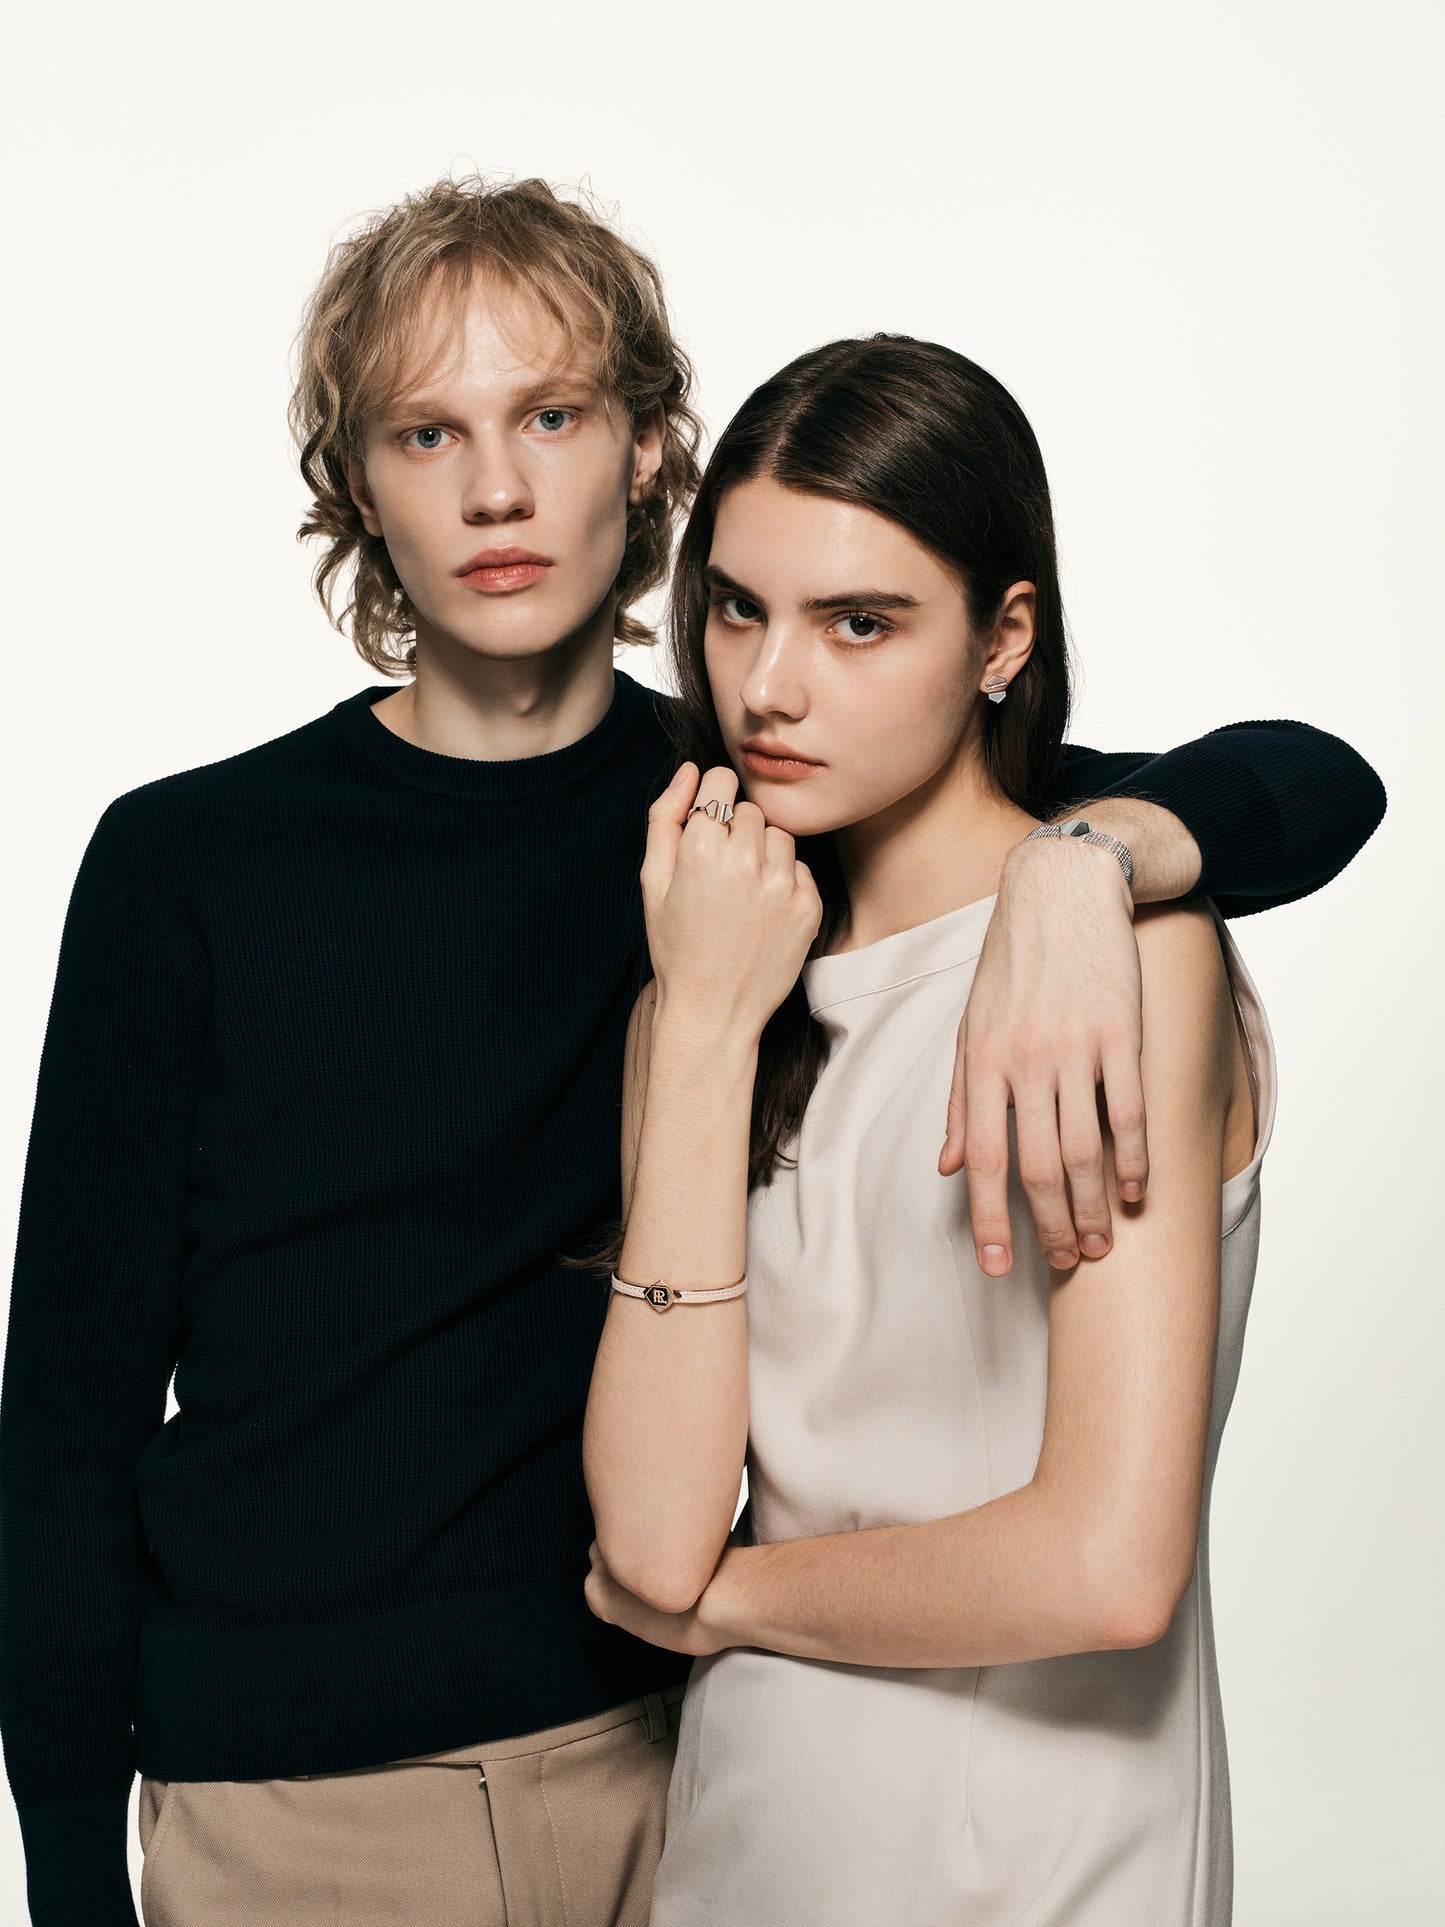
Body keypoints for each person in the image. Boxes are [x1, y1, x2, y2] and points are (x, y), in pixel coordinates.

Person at [0, 176, 1382, 1927]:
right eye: (426, 433)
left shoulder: (771, 798)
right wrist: (70, 1869)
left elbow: (1306, 784)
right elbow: (68, 1417)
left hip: (673, 1752)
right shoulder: (189, 863)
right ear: (356, 482)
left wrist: (1086, 857)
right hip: (305, 1785)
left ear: (648, 449)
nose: (495, 491)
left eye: (551, 416)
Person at [581, 336, 1336, 1924]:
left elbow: (1103, 1568)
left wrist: (728, 1602)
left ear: (1002, 638)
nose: (769, 686)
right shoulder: (707, 998)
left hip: (1043, 1869)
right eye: (737, 608)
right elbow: (648, 1536)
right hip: (742, 1851)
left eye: (859, 622)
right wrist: (701, 1029)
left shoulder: (1125, 956)